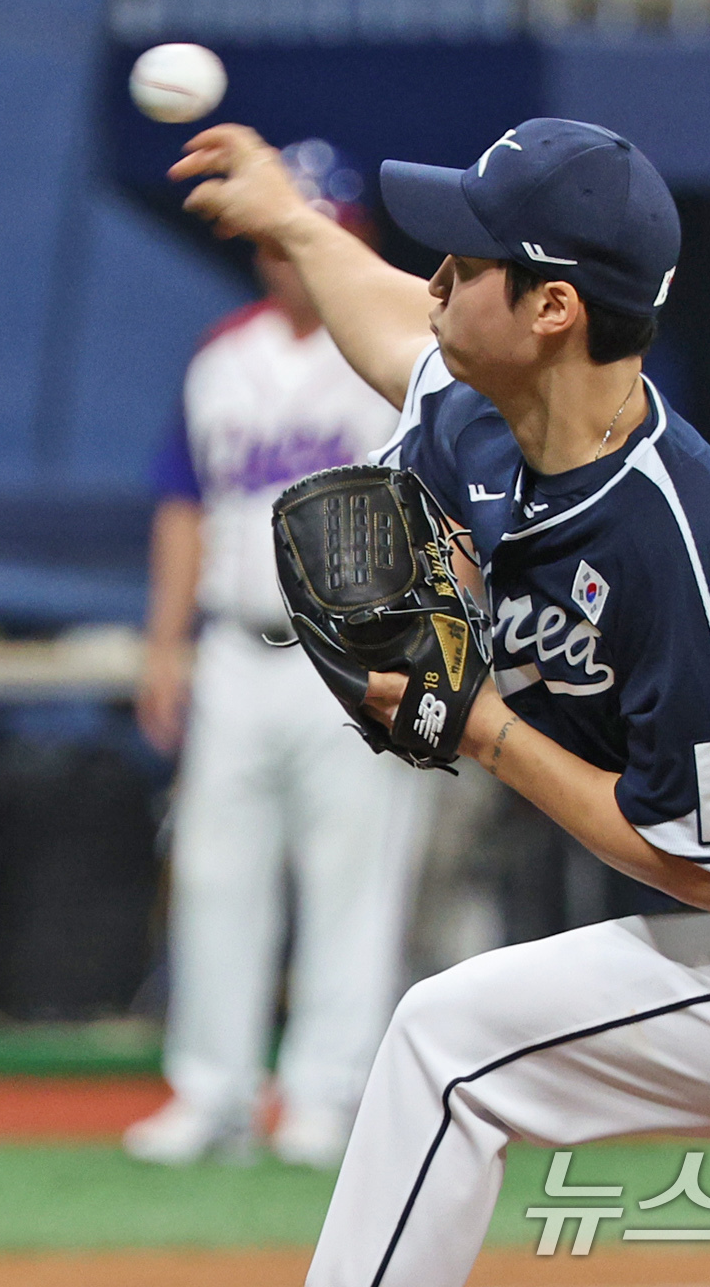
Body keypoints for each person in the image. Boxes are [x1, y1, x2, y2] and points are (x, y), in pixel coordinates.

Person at [168, 119, 710, 1278]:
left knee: (446, 1043)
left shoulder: (683, 541)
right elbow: (384, 324)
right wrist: (287, 220)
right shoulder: (491, 419)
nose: (434, 280)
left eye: (466, 264)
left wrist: (486, 729)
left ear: (552, 311)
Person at [125, 142, 425, 1169]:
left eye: (327, 233)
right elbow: (183, 504)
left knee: (352, 881)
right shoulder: (222, 356)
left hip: (356, 658)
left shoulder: (393, 350)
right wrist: (163, 649)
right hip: (234, 652)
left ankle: (324, 1099)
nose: (298, 259)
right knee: (214, 875)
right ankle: (210, 1095)